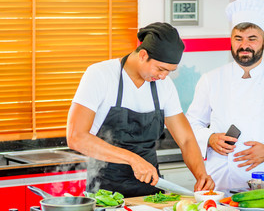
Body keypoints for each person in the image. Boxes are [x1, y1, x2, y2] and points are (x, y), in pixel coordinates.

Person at [66, 22, 215, 197]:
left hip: (150, 194)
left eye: (169, 71)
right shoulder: (100, 75)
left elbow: (187, 139)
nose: (163, 76)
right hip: (105, 193)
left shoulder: (164, 85)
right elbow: (76, 137)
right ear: (143, 55)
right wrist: (133, 159)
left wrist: (201, 174)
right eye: (160, 69)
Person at [186, 0, 264, 190]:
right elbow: (191, 124)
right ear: (231, 41)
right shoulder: (211, 79)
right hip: (218, 181)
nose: (244, 45)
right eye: (238, 38)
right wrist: (209, 138)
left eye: (252, 39)